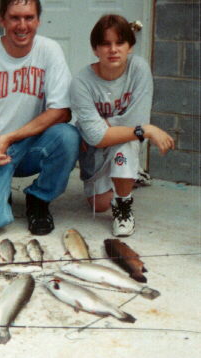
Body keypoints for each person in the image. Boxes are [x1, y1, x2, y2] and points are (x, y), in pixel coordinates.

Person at [0, 0, 80, 236]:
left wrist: (10, 138)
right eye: (15, 18)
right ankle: (0, 192)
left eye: (29, 17)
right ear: (2, 20)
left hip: (30, 145)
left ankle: (39, 199)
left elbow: (61, 111)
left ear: (38, 20)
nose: (22, 25)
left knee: (68, 137)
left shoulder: (50, 51)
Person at [70, 14, 174, 237]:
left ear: (130, 46)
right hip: (96, 150)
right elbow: (96, 137)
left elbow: (136, 123)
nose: (113, 49)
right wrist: (142, 129)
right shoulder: (81, 82)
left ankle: (124, 205)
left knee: (126, 144)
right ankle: (128, 174)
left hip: (123, 145)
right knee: (100, 205)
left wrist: (109, 126)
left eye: (120, 43)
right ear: (95, 49)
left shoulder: (138, 69)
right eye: (106, 44)